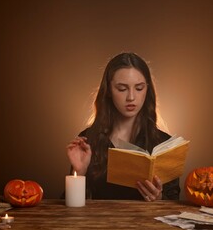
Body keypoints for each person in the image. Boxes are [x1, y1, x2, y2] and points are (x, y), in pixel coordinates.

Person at [66, 52, 180, 201]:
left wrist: (159, 199)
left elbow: (175, 209)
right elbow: (70, 211)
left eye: (139, 88)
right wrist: (79, 173)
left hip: (146, 224)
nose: (131, 97)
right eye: (122, 89)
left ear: (148, 90)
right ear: (108, 91)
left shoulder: (165, 144)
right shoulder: (88, 141)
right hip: (98, 224)